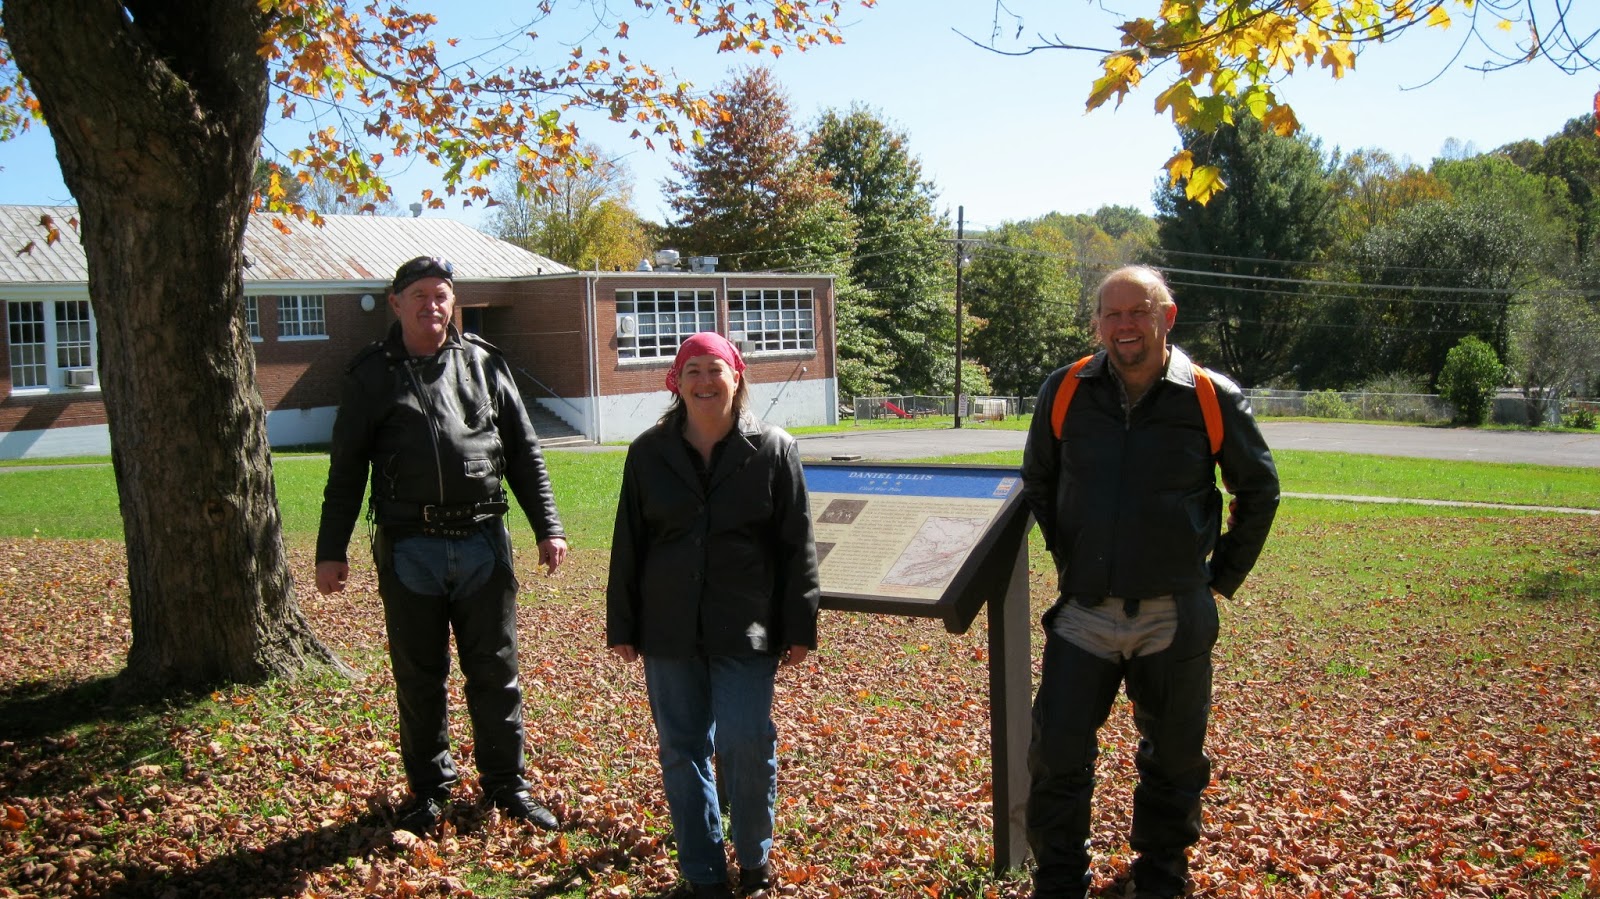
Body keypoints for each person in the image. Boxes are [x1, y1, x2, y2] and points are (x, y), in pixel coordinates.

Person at [1019, 265, 1280, 898]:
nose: (1124, 325)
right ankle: (1059, 878)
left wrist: (1218, 577)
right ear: (1097, 324)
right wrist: (1073, 555)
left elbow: (1258, 488)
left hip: (1173, 613)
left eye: (1138, 311)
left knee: (1174, 759)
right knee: (1057, 755)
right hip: (1084, 613)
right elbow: (1041, 482)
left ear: (1168, 316)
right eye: (1111, 314)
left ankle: (1161, 873)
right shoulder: (1066, 391)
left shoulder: (1210, 395)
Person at [314, 255, 569, 836]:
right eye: (421, 295)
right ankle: (430, 791)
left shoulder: (484, 364)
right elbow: (347, 470)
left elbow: (525, 452)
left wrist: (547, 525)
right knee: (419, 677)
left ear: (453, 303)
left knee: (496, 672)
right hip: (410, 548)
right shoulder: (369, 376)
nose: (433, 304)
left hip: (484, 540)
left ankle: (508, 786)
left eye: (442, 294)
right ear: (396, 304)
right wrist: (332, 550)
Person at [605, 332, 820, 899]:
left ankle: (755, 862)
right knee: (682, 748)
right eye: (692, 370)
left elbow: (797, 543)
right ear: (677, 382)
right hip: (669, 625)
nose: (704, 382)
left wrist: (799, 625)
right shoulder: (648, 453)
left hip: (747, 623)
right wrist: (623, 625)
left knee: (747, 740)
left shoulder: (773, 448)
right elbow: (629, 541)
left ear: (737, 376)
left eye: (714, 369)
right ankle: (702, 873)